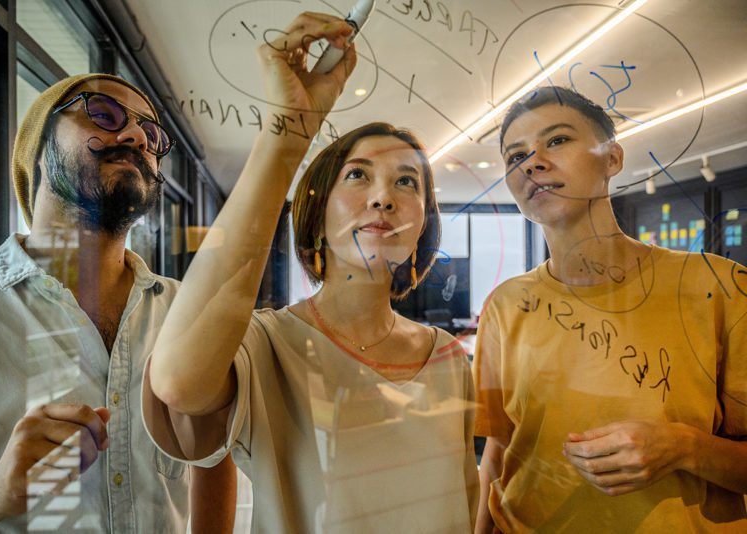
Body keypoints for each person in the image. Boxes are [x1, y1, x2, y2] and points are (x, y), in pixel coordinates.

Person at [142, 11, 479, 533]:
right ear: (317, 217)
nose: (383, 197)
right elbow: (179, 383)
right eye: (358, 175)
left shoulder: (449, 357)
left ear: (422, 229)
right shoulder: (267, 346)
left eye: (407, 183)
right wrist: (287, 135)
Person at [0, 73, 236, 532]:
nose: (137, 136)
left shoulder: (188, 314)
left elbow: (212, 461)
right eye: (103, 114)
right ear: (37, 147)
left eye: (152, 134)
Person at [473, 86, 747, 532]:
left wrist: (686, 448)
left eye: (557, 140)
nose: (532, 162)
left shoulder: (718, 287)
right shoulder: (505, 305)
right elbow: (500, 449)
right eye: (515, 156)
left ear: (612, 159)